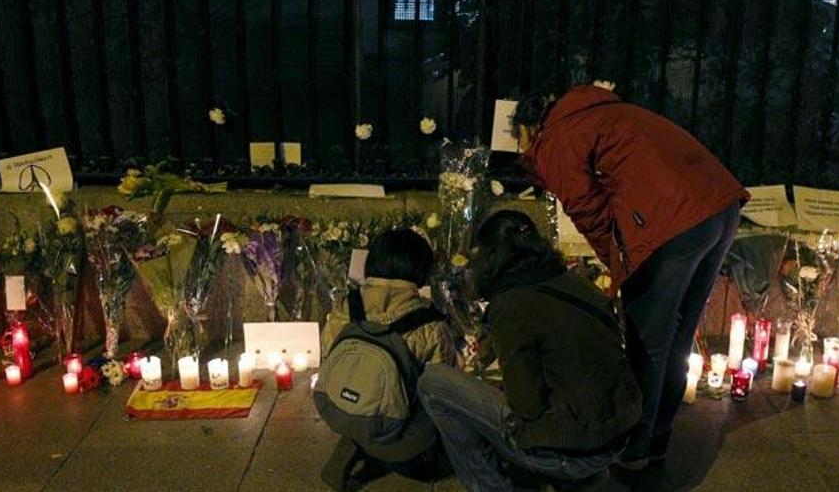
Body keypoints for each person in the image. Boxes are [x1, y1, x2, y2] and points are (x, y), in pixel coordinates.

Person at [512, 81, 749, 470]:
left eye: (522, 143)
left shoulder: (556, 138)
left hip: (673, 224)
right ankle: (658, 435)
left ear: (528, 129)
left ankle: (634, 448)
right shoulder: (600, 112)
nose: (525, 154)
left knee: (647, 342)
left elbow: (588, 211)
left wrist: (620, 264)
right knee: (679, 333)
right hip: (719, 207)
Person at [418, 210, 642, 491]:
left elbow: (527, 406)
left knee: (433, 383)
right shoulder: (576, 282)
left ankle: (490, 486)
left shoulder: (511, 304)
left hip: (570, 452)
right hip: (619, 435)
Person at [319, 228, 458, 490]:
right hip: (398, 424)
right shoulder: (430, 323)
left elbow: (328, 353)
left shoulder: (347, 306)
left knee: (368, 395)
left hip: (336, 406)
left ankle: (357, 439)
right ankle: (405, 457)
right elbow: (443, 389)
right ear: (420, 269)